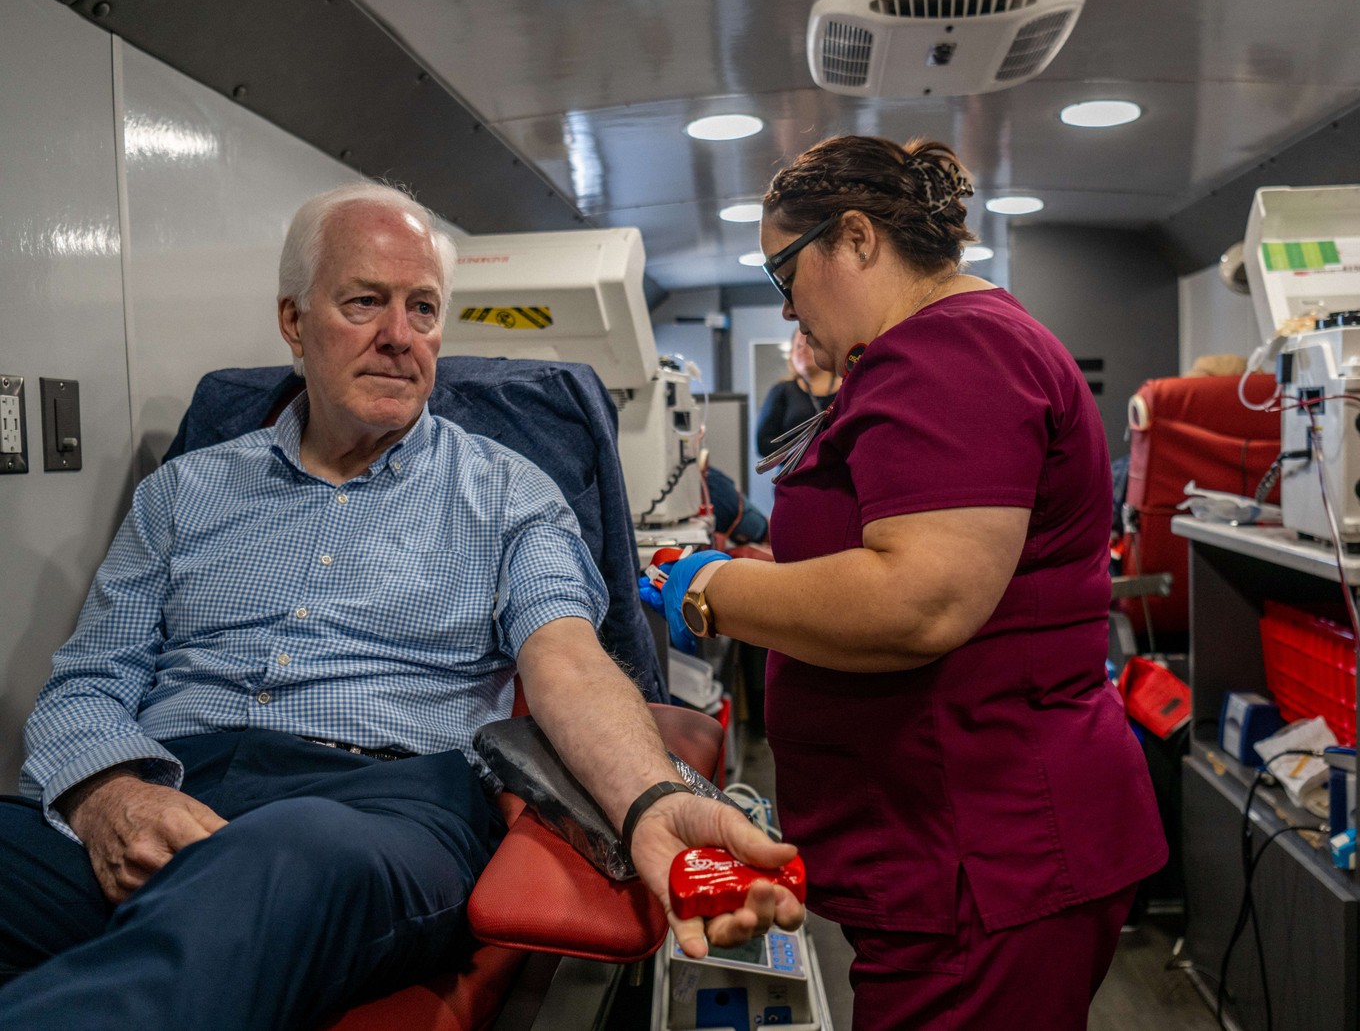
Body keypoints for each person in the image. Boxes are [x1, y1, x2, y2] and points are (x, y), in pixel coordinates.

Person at [0, 182, 802, 1031]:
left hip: (373, 811)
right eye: (364, 302)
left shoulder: (506, 493)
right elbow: (88, 683)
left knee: (285, 857)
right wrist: (109, 798)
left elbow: (566, 658)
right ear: (292, 322)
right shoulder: (183, 494)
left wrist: (647, 797)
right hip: (172, 786)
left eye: (422, 308)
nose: (400, 336)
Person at [658, 137, 1167, 1030]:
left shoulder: (954, 352)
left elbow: (919, 600)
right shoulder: (935, 351)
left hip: (988, 845)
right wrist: (764, 571)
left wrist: (710, 590)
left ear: (854, 238)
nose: (788, 309)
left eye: (786, 272)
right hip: (956, 840)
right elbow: (900, 551)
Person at [755, 328, 840, 458]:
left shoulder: (848, 386)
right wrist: (804, 457)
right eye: (798, 346)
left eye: (808, 344)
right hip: (795, 474)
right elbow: (763, 443)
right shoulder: (782, 391)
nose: (802, 350)